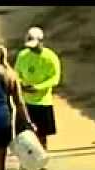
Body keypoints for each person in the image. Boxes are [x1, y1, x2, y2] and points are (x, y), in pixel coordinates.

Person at [14, 27, 61, 158]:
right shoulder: (23, 55)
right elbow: (16, 73)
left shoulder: (51, 57)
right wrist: (22, 84)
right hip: (25, 102)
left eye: (34, 46)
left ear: (41, 41)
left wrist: (38, 87)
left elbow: (55, 78)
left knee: (42, 135)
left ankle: (41, 159)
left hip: (43, 102)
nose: (32, 48)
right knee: (24, 135)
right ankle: (25, 162)